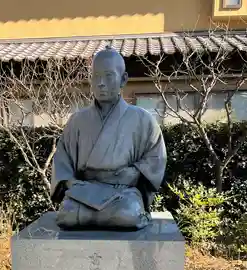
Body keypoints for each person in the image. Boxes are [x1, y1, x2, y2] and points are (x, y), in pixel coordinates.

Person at [51, 45, 167, 230]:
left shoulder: (143, 120)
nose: (101, 83)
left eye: (108, 76)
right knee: (68, 215)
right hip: (84, 192)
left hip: (121, 192)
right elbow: (62, 158)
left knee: (127, 215)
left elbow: (155, 157)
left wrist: (136, 172)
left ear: (123, 79)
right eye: (96, 77)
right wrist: (70, 182)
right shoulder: (77, 121)